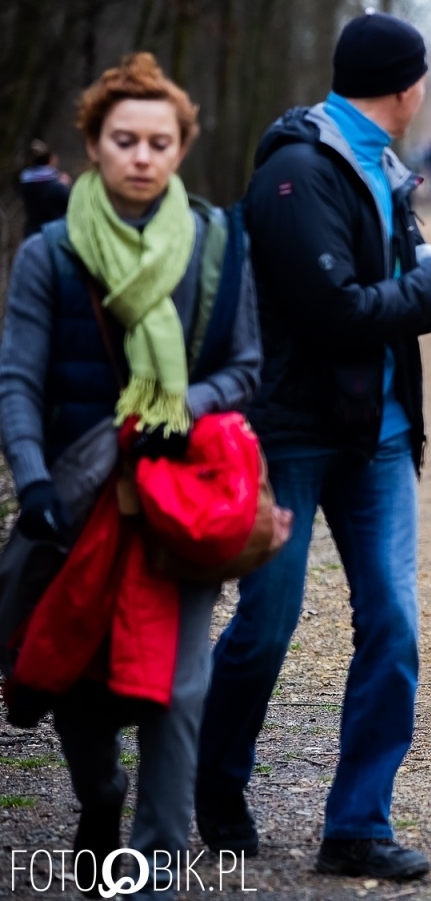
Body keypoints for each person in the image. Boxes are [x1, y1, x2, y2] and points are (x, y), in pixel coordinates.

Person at [194, 12, 431, 881]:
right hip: (290, 435)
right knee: (266, 627)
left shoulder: (383, 168)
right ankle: (215, 778)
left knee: (392, 625)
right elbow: (340, 314)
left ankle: (357, 824)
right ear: (405, 85)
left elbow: (410, 300)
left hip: (380, 438)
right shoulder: (295, 173)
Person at [0, 53, 262, 895]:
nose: (142, 156)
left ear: (181, 147)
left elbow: (249, 367)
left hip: (177, 501)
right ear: (92, 144)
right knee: (76, 667)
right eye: (124, 140)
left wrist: (178, 411)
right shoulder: (49, 253)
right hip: (74, 502)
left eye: (159, 141)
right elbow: (20, 380)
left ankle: (152, 867)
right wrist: (33, 480)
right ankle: (100, 793)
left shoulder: (218, 243)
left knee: (178, 688)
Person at [16, 139, 73, 237]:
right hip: (53, 237)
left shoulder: (26, 181)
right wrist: (64, 186)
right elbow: (72, 206)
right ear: (50, 160)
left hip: (31, 235)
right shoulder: (54, 186)